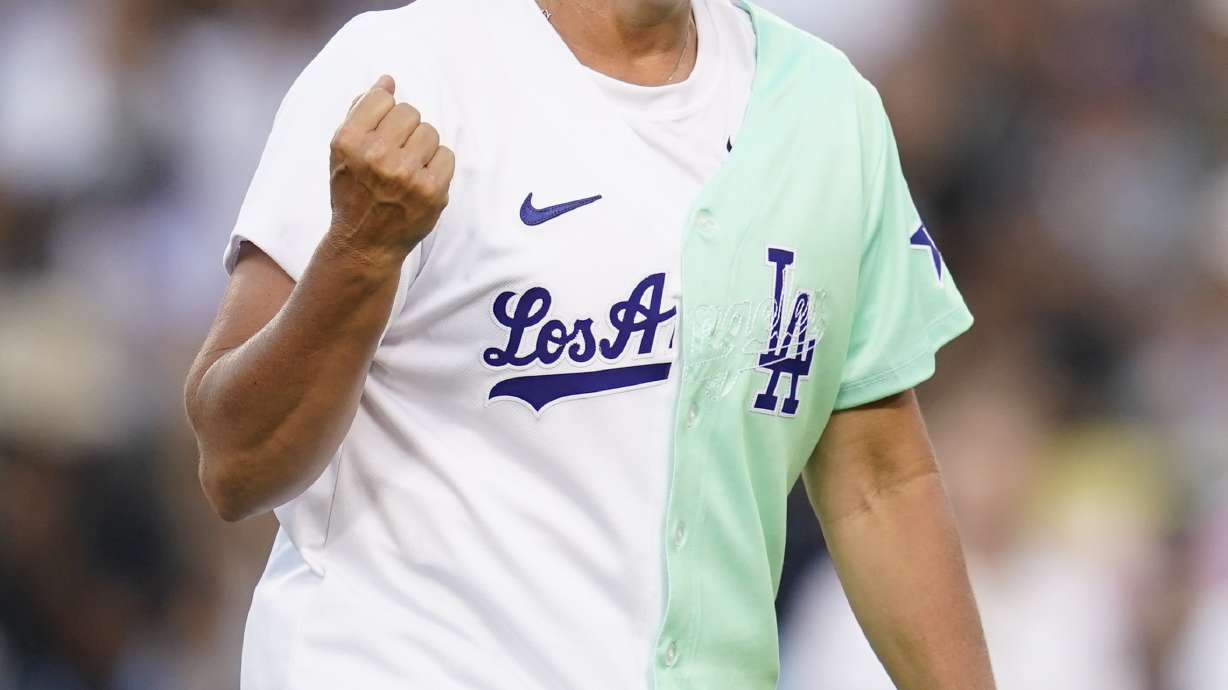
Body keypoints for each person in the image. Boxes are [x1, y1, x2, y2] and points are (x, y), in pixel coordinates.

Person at [184, 0, 994, 688]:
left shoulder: (822, 108)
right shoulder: (408, 74)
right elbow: (236, 462)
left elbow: (880, 480)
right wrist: (357, 256)